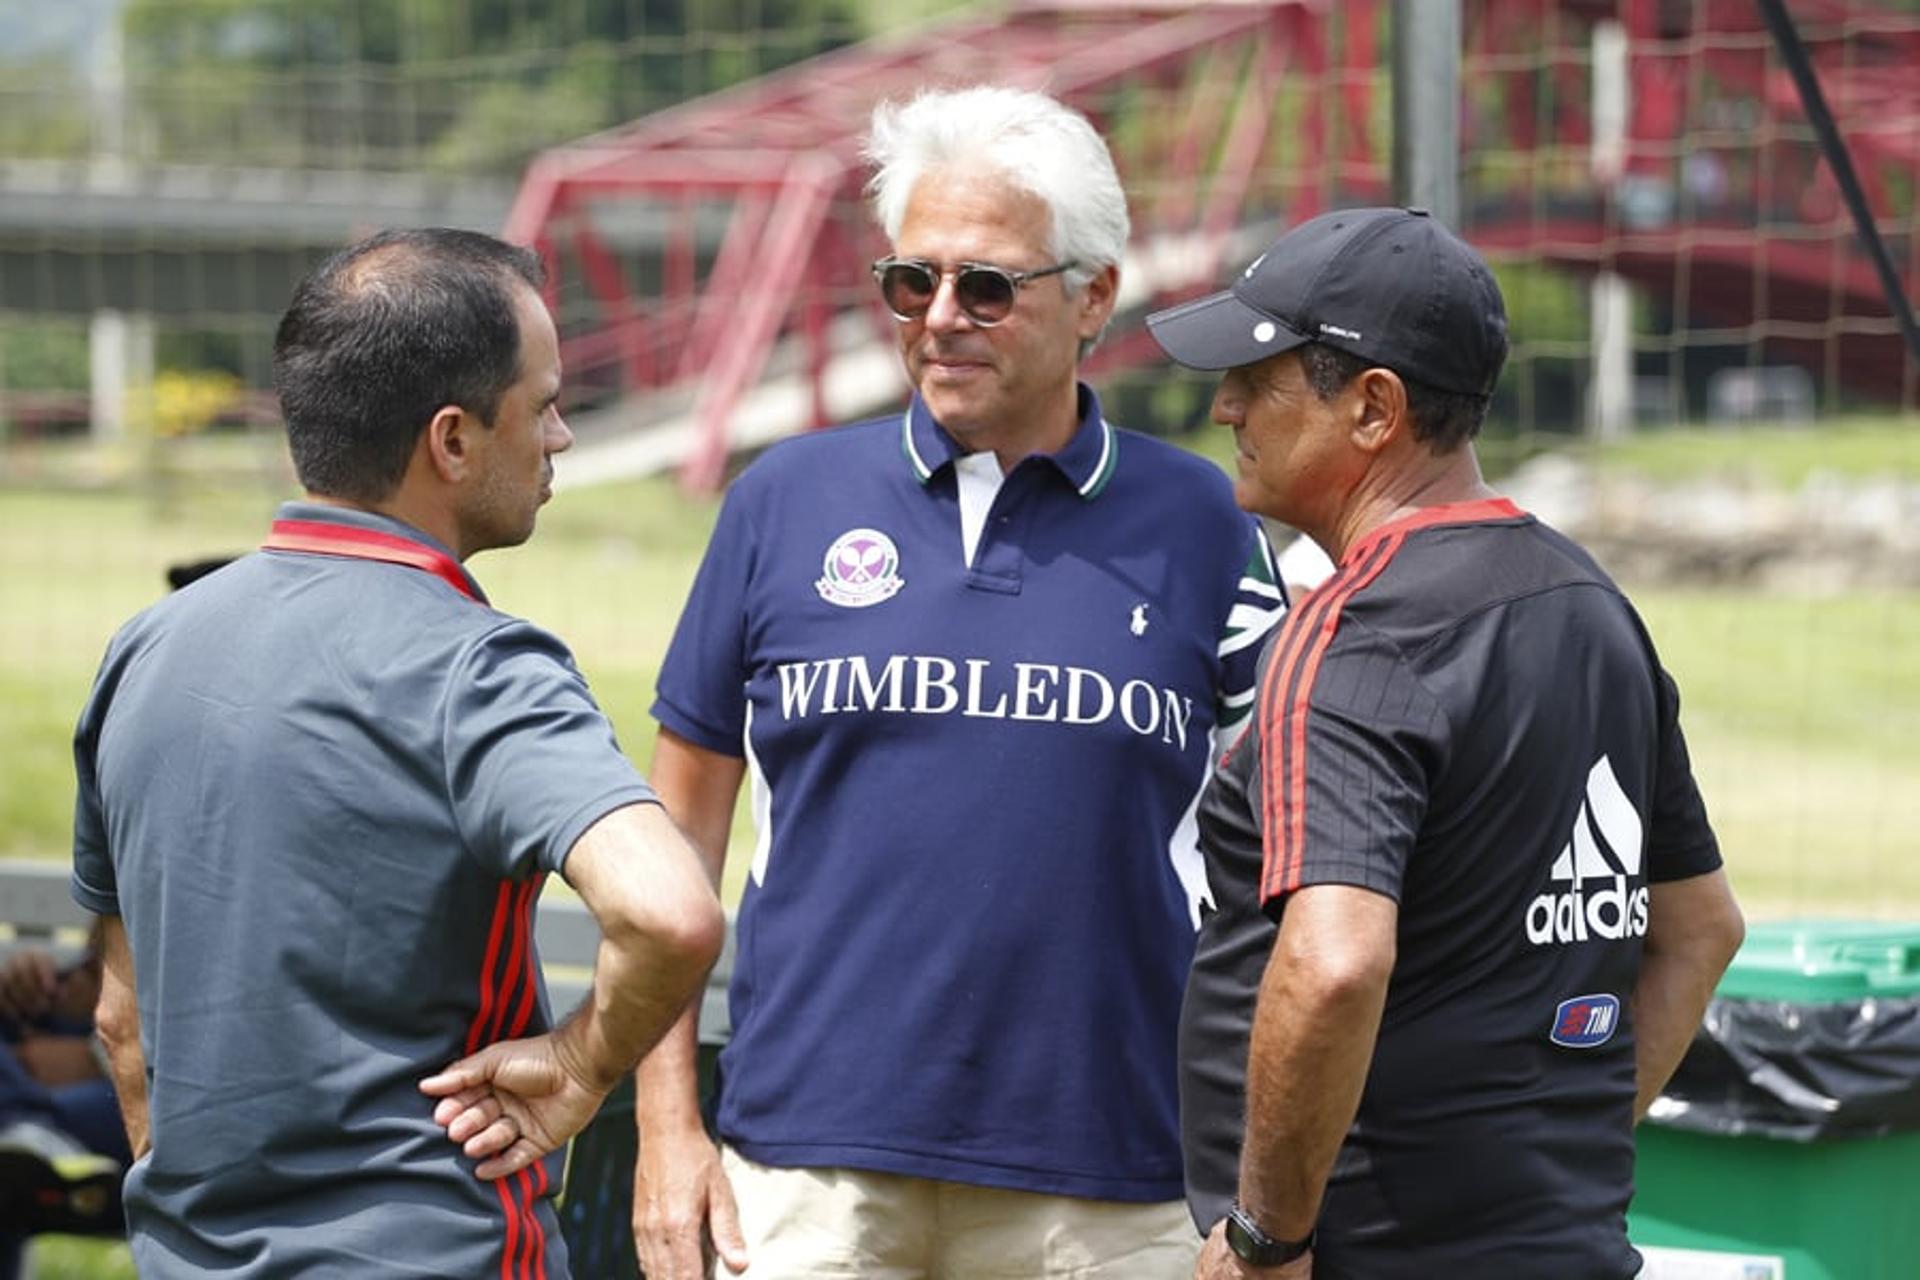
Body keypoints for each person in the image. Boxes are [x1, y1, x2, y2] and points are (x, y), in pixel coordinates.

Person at [629, 86, 1285, 1280]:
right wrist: (666, 1124)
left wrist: (1260, 1180)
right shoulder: (780, 502)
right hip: (806, 1179)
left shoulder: (1207, 523)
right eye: (909, 281)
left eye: (986, 284)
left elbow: (1288, 867)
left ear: (1094, 295)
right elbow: (676, 840)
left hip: (1114, 1184)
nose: (941, 317)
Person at [69, 227, 726, 1277]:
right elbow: (670, 910)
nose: (560, 435)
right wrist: (578, 1062)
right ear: (453, 440)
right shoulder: (480, 668)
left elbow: (120, 1016)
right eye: (545, 403)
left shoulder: (146, 647)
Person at [1146, 206, 1746, 1280]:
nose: (1225, 402)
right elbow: (1701, 929)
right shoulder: (1589, 601)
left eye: (1262, 374)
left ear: (1374, 407)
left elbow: (1334, 962)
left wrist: (1268, 1237)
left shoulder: (1356, 630)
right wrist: (1560, 1158)